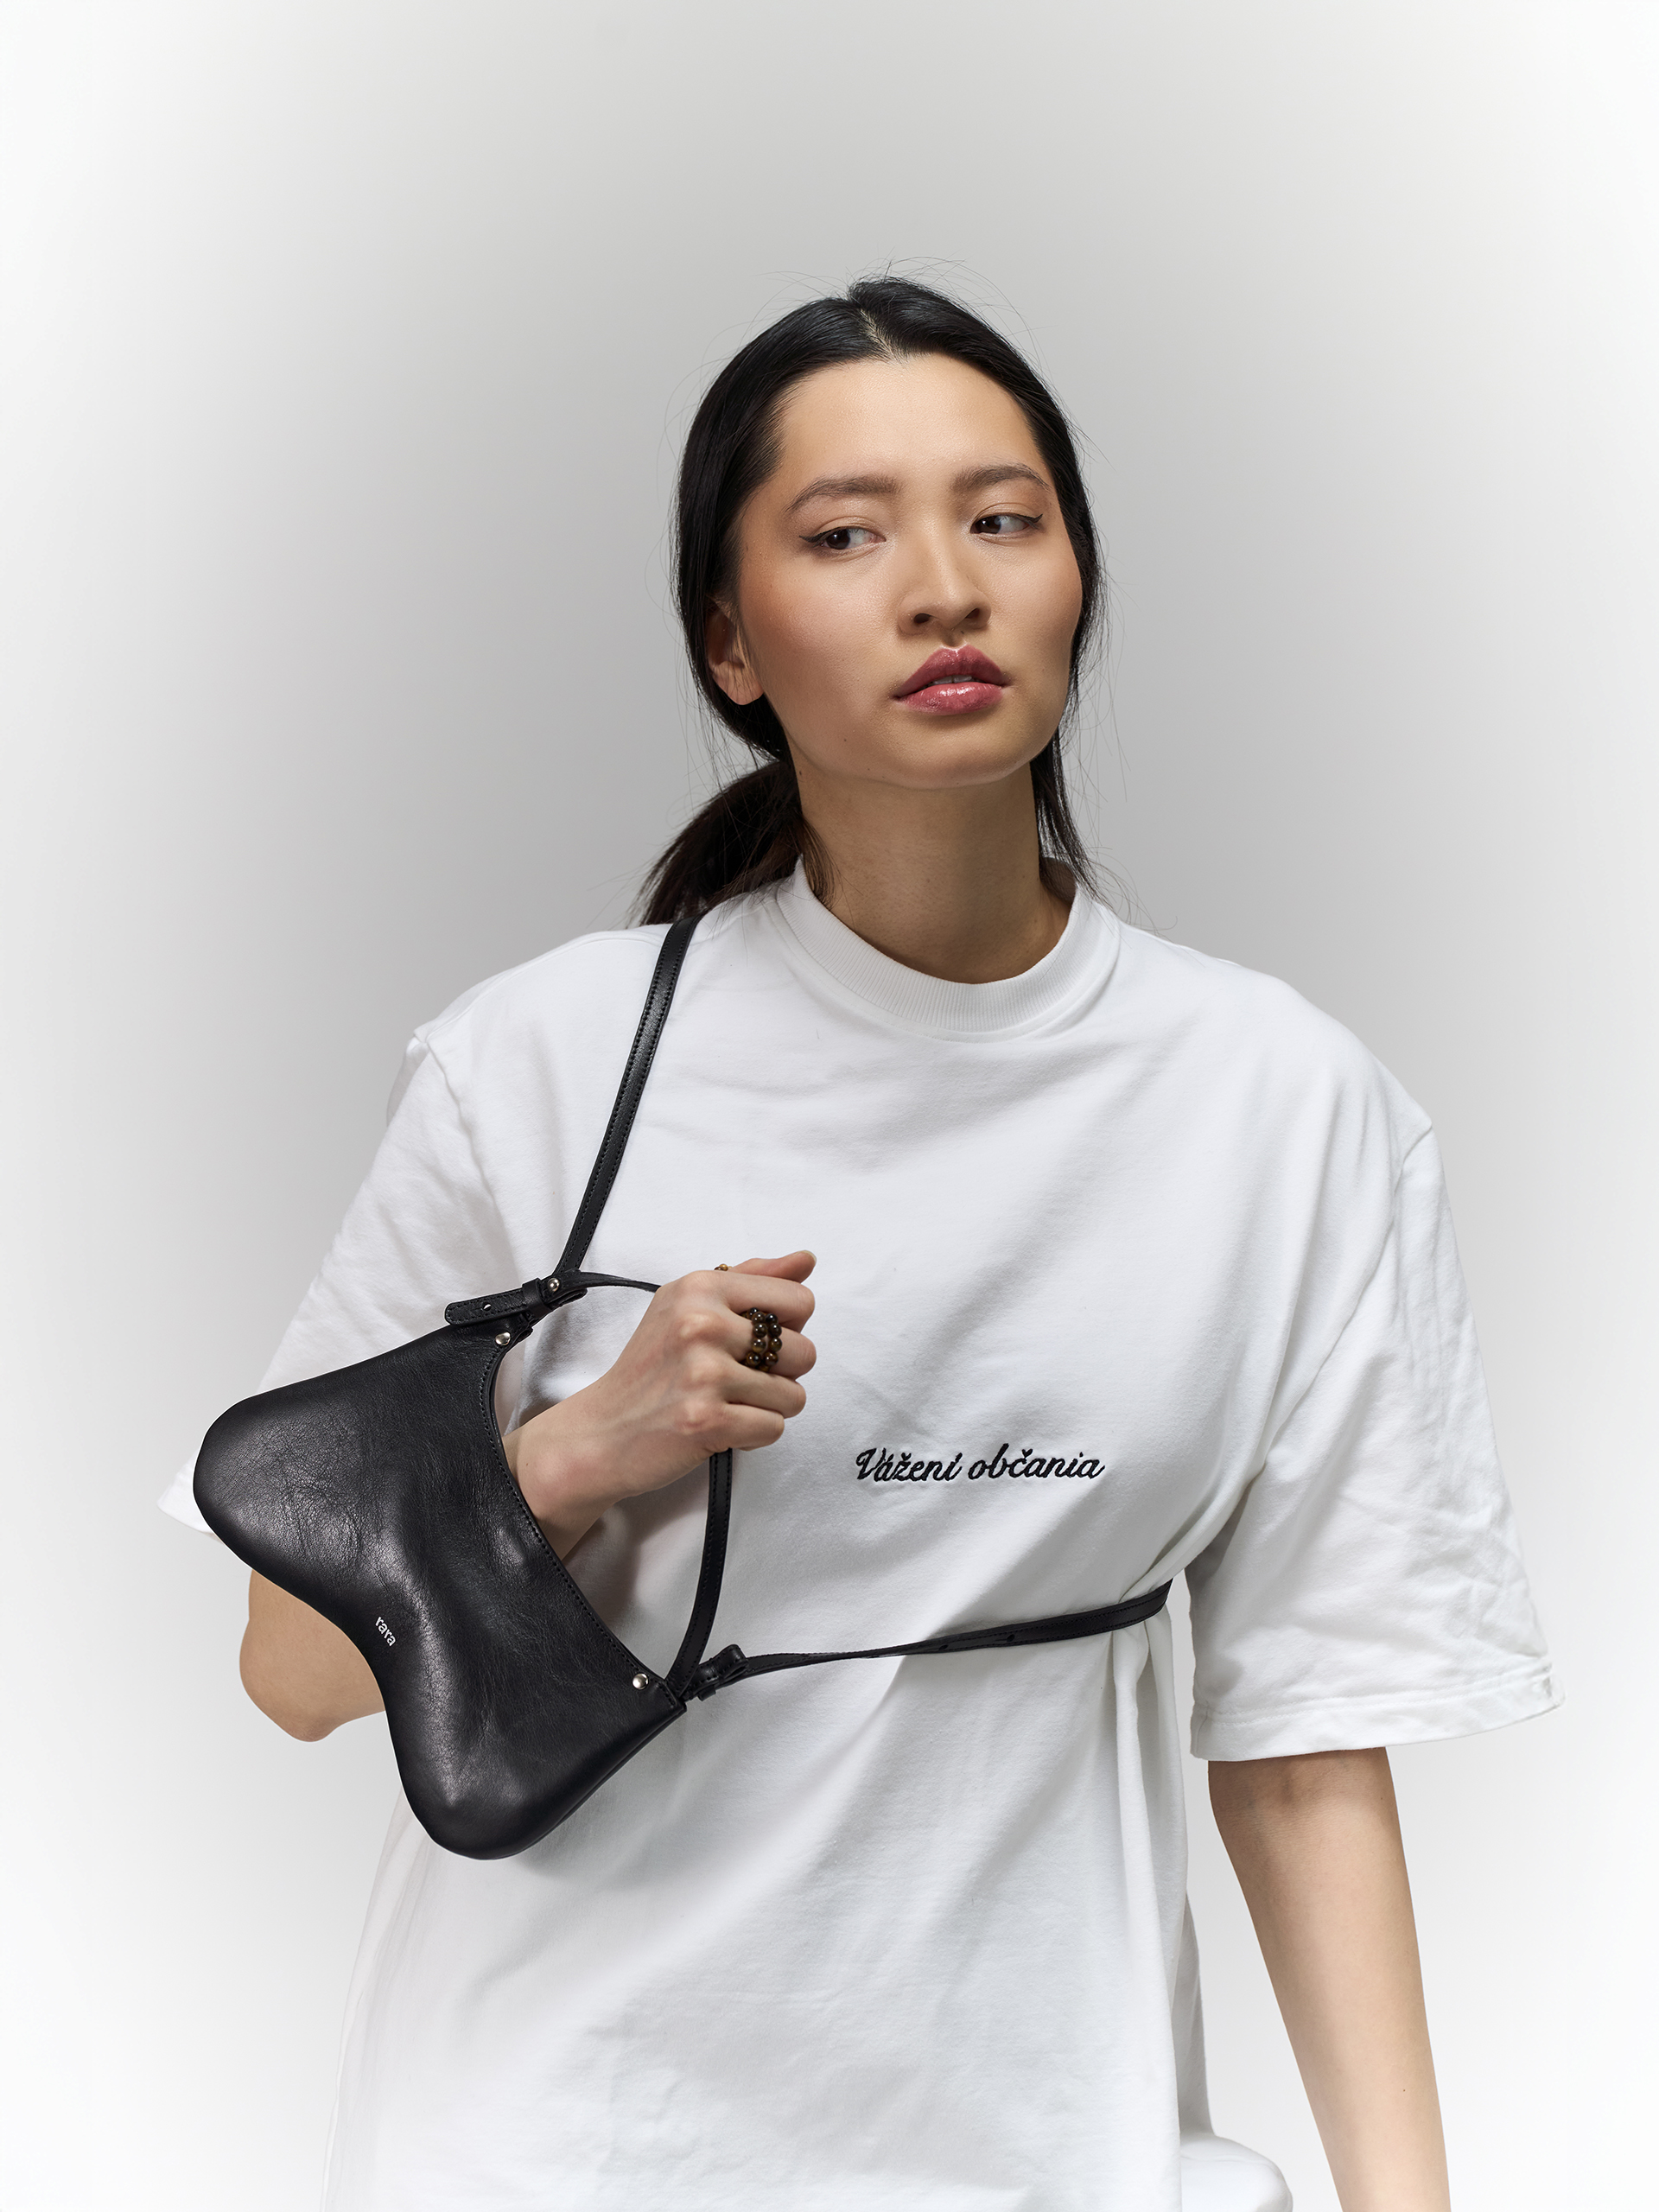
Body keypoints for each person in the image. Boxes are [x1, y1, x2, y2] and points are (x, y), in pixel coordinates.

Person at [163, 276, 1558, 2211]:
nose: (944, 588)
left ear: (1077, 582)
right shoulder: (542, 1065)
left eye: (1003, 518)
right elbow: (294, 1665)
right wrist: (578, 1451)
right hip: (561, 2146)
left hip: (1064, 2152)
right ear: (729, 642)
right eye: (845, 535)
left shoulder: (1287, 1107)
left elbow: (1307, 1746)